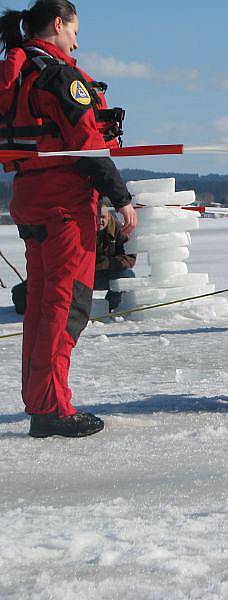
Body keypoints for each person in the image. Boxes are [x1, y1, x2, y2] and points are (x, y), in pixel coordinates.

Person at [0, 1, 136, 438]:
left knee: (41, 308)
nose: (77, 41)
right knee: (65, 306)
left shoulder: (20, 73)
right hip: (65, 208)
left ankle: (41, 401)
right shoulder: (59, 76)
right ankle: (53, 408)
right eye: (74, 31)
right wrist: (121, 198)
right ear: (57, 25)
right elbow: (88, 145)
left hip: (29, 199)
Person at [94, 201, 136, 311]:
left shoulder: (120, 230)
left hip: (110, 272)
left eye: (103, 217)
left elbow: (130, 257)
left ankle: (111, 307)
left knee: (127, 276)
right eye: (96, 217)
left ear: (109, 216)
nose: (99, 221)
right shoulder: (81, 231)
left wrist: (108, 263)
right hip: (88, 274)